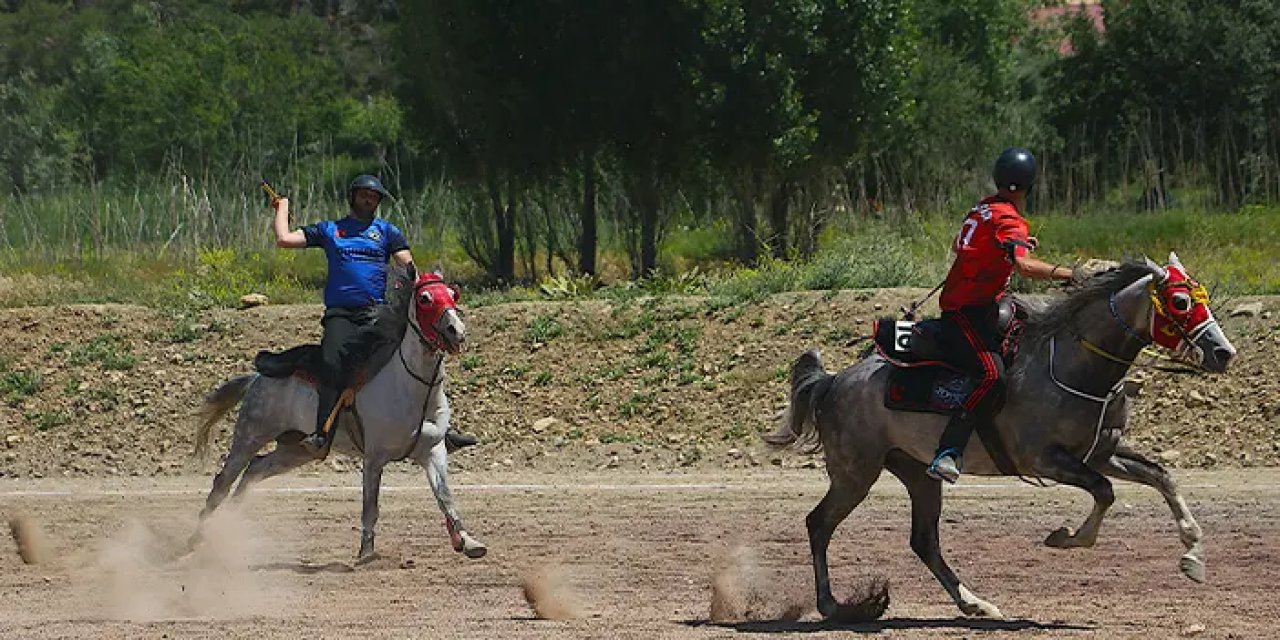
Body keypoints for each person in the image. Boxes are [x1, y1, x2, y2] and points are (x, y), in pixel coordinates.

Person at [271, 174, 477, 455]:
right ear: (353, 196)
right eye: (364, 194)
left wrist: (431, 293)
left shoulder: (387, 232)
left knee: (418, 357)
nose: (369, 199)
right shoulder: (331, 230)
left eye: (374, 196)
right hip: (341, 314)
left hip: (377, 314)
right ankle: (322, 433)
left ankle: (442, 430)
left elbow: (409, 271)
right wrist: (282, 207)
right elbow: (284, 239)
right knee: (332, 361)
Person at [925, 148, 1075, 484]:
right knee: (992, 376)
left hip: (983, 304)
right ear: (1030, 186)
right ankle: (948, 451)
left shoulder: (983, 208)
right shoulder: (1010, 219)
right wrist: (1070, 274)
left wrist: (1007, 246)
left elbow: (957, 245)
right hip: (965, 312)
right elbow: (1025, 267)